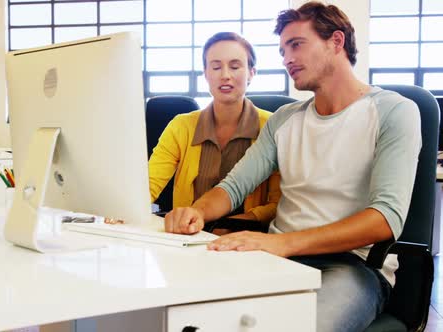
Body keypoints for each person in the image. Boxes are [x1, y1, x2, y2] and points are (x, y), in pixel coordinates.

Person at [163, 3, 421, 332]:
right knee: (190, 315)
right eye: (282, 49)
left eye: (296, 45)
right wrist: (197, 211)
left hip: (352, 265)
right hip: (275, 258)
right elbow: (233, 186)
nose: (286, 58)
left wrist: (285, 243)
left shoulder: (395, 112)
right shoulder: (285, 119)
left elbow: (385, 219)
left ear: (336, 42)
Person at [148, 32, 281, 232]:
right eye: (216, 67)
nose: (225, 75)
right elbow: (149, 184)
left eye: (235, 67)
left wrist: (232, 224)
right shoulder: (181, 126)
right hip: (188, 236)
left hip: (248, 240)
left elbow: (280, 203)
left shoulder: (273, 127)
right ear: (206, 73)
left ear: (251, 73)